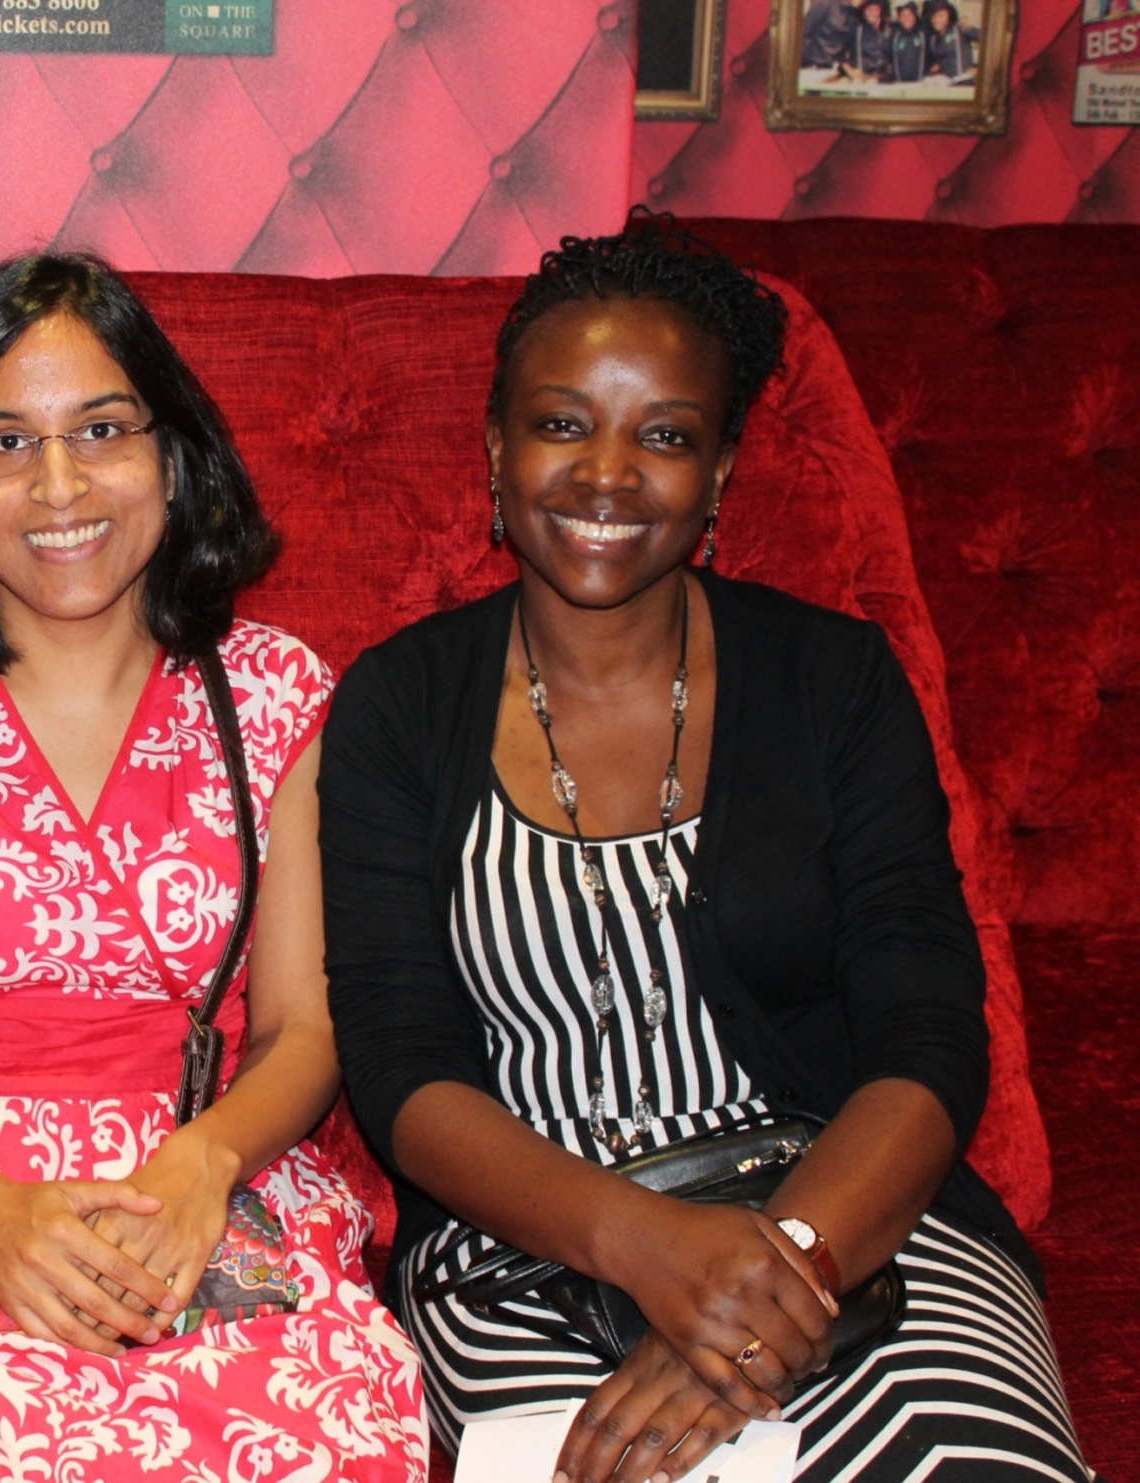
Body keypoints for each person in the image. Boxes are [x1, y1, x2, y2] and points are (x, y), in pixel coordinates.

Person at [320, 214, 1091, 1483]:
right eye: (561, 423)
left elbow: (926, 1032)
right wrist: (649, 1249)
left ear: (721, 470)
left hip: (848, 1217)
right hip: (531, 1245)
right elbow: (403, 1071)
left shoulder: (833, 679)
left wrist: (777, 1273)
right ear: (495, 447)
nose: (606, 474)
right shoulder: (396, 705)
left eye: (664, 436)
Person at [0, 254, 428, 1481]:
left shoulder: (274, 694)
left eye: (102, 430)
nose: (56, 485)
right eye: (4, 443)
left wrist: (204, 1164)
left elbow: (300, 1029)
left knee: (312, 1439)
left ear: (171, 458)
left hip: (199, 1178)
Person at [925, 1, 976, 81]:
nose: (937, 20)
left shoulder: (961, 29)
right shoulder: (933, 38)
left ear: (949, 16)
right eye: (934, 16)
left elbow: (989, 40)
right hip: (946, 83)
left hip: (964, 81)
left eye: (941, 16)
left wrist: (978, 68)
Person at [889, 3, 929, 82]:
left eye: (910, 15)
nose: (906, 18)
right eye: (903, 16)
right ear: (899, 18)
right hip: (899, 83)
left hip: (921, 84)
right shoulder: (894, 36)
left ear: (915, 16)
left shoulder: (924, 34)